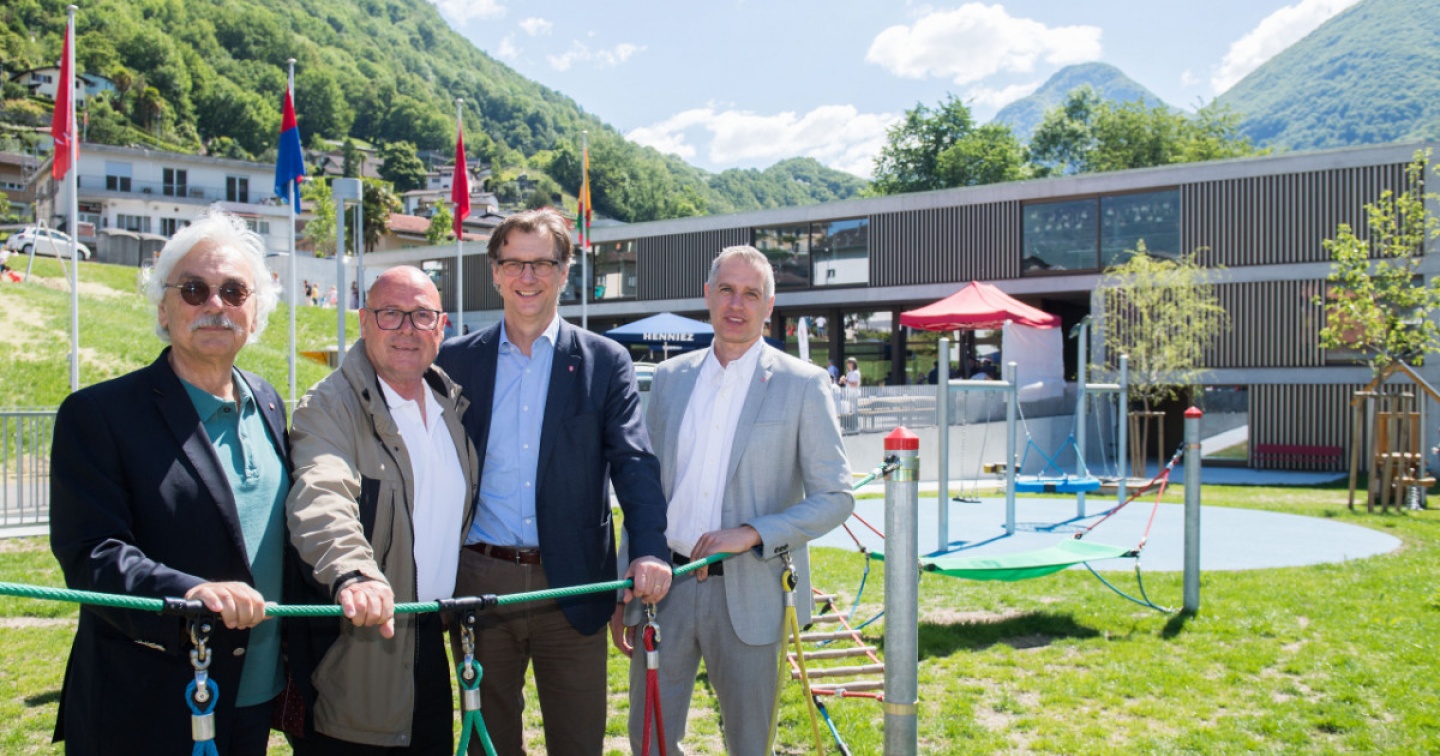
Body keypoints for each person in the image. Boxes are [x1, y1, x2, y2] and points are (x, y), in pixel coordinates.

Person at [49, 209, 294, 756]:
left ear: (254, 311)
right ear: (163, 308)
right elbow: (91, 553)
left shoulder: (268, 402)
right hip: (146, 704)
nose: (215, 305)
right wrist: (187, 593)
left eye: (234, 291)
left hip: (253, 696)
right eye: (194, 289)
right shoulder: (98, 414)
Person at [435, 207, 671, 755]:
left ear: (565, 272)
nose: (528, 276)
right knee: (487, 744)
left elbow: (634, 462)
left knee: (578, 741)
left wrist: (649, 550)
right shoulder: (453, 361)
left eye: (542, 263)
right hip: (480, 582)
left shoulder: (604, 361)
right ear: (495, 272)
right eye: (514, 263)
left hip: (573, 583)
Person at [611, 245, 854, 754]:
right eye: (726, 289)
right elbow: (643, 489)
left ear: (769, 305)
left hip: (751, 592)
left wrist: (752, 533)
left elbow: (836, 496)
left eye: (750, 293)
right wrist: (623, 585)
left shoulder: (803, 384)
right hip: (664, 587)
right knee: (648, 741)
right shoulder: (671, 379)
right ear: (707, 295)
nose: (736, 304)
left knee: (749, 744)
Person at [285, 266, 479, 753]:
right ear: (363, 321)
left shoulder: (450, 407)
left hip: (429, 639)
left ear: (442, 327)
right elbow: (322, 496)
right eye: (391, 313)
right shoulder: (329, 406)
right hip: (355, 642)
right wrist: (354, 574)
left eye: (422, 315)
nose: (407, 329)